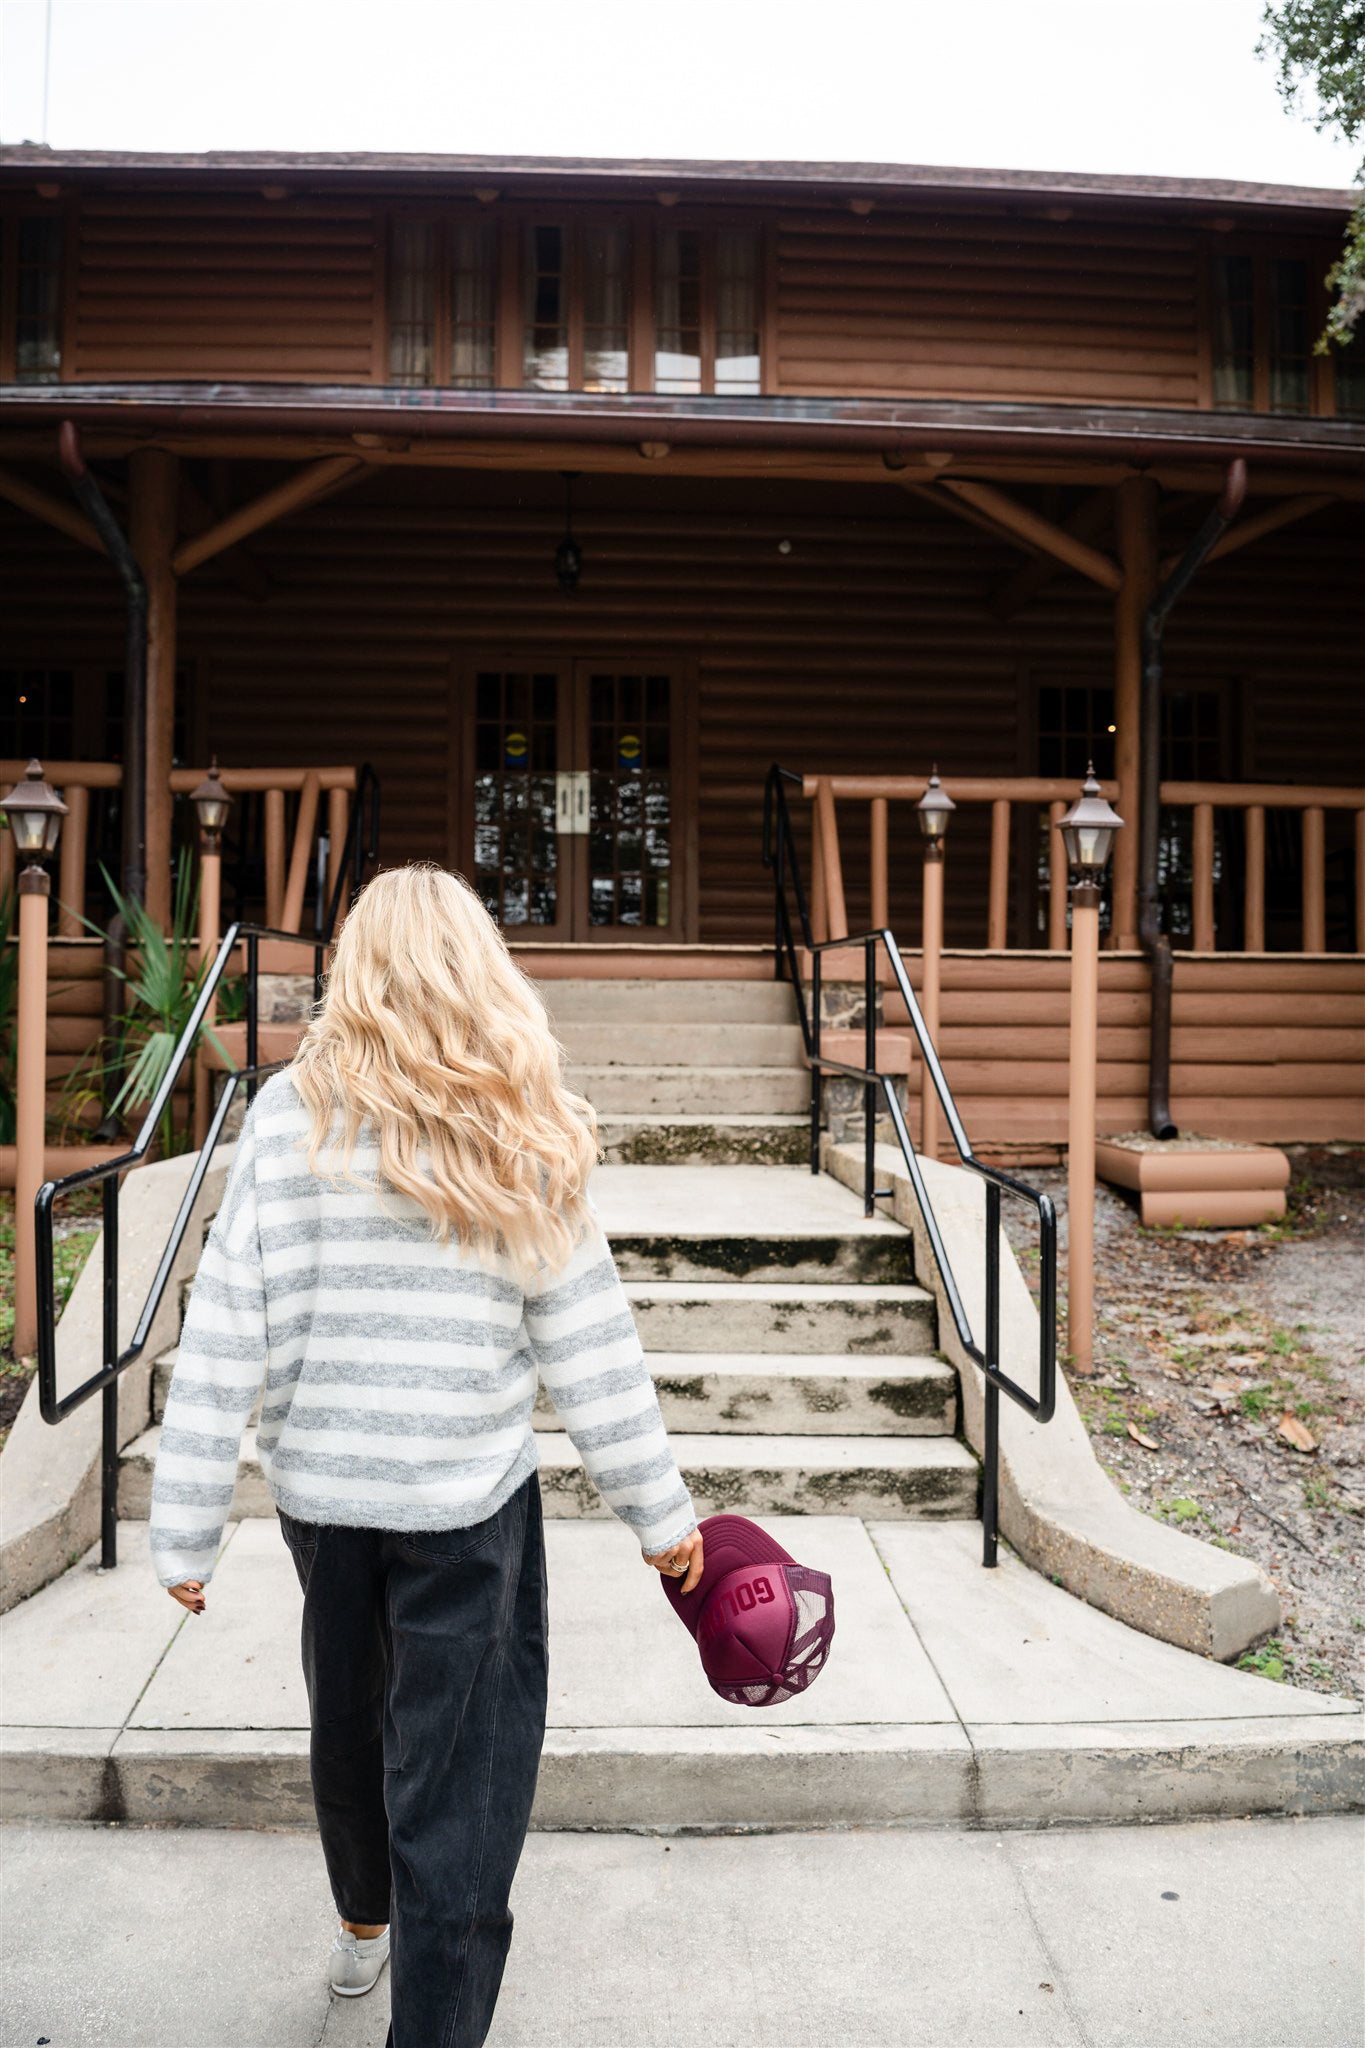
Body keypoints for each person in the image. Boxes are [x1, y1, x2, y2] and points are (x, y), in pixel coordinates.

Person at [150, 864, 703, 2048]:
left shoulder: (287, 1118)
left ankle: (363, 1921)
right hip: (466, 1512)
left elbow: (221, 1323)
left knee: (347, 1724)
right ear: (479, 968)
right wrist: (660, 1513)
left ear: (353, 969)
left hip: (326, 1502)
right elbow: (588, 1336)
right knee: (457, 1783)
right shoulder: (518, 1117)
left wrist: (186, 1517)